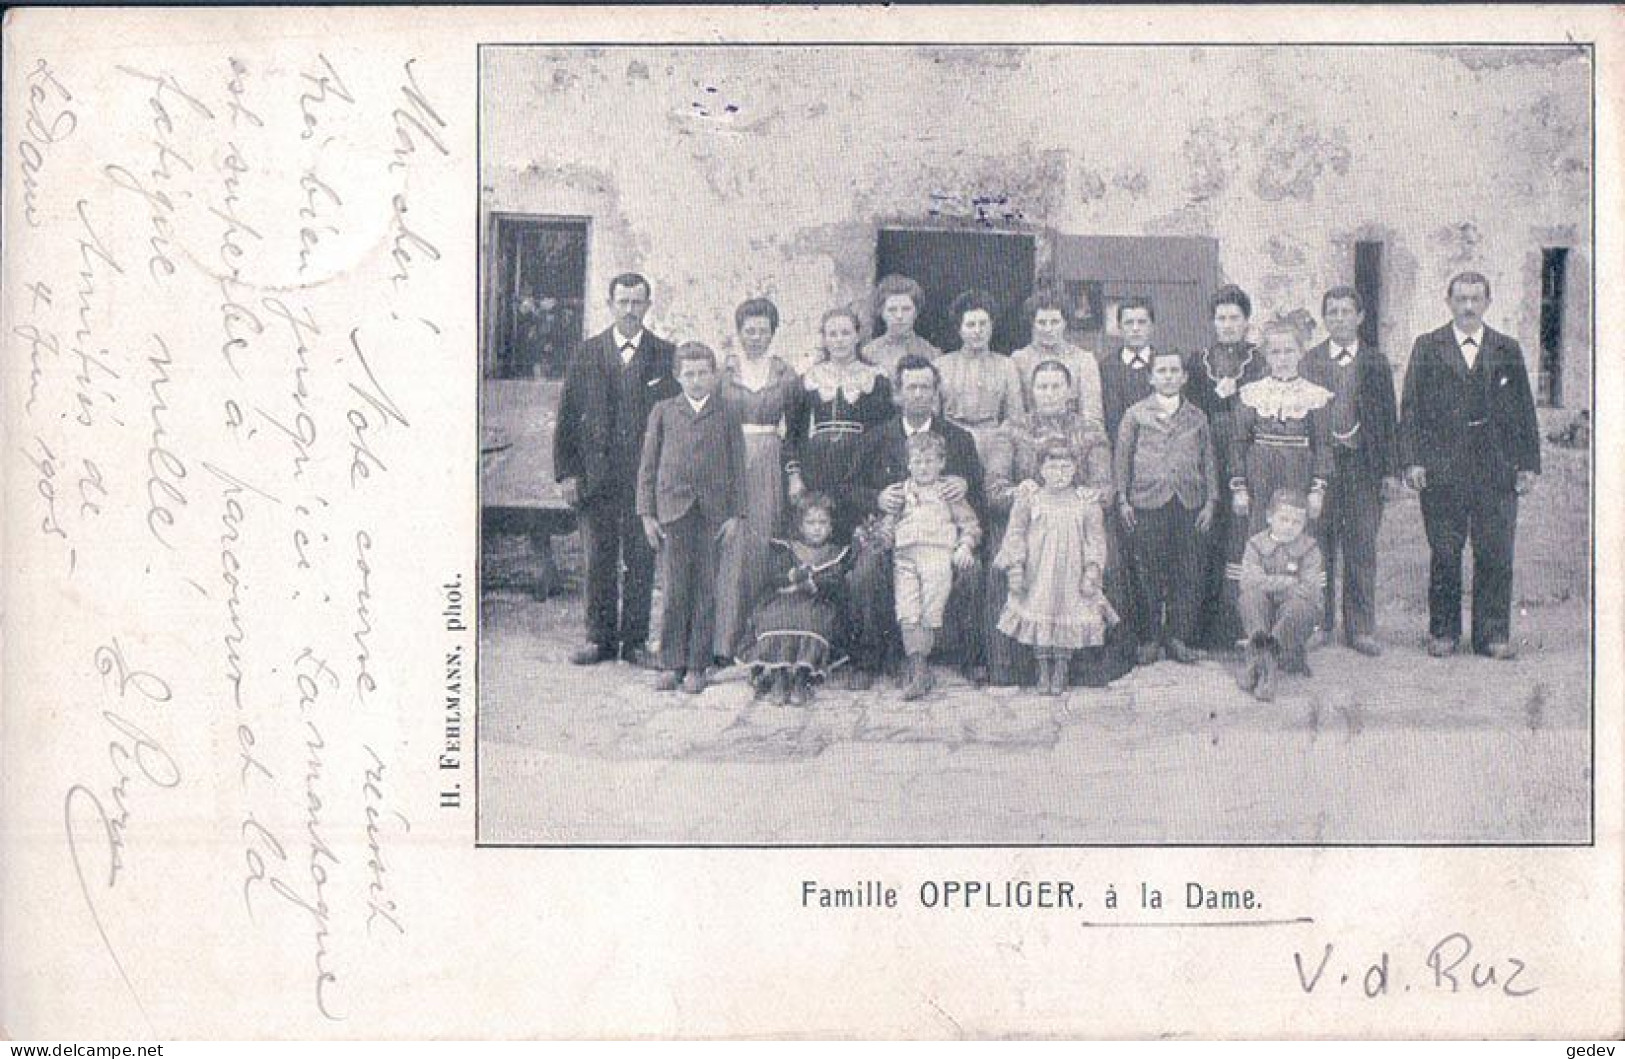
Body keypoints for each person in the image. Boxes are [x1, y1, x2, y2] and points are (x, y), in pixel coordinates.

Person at [1400, 271, 1540, 660]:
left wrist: (1527, 464)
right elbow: (1410, 408)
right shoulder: (1428, 347)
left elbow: (1523, 409)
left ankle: (1492, 635)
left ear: (1487, 303)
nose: (1468, 306)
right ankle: (1443, 632)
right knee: (1445, 551)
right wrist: (1412, 460)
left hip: (1496, 466)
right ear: (1448, 302)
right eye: (1461, 298)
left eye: (1476, 299)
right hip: (1443, 466)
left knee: (1495, 550)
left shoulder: (1506, 348)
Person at [554, 272, 678, 668]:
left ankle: (636, 641)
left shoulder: (664, 354)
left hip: (645, 479)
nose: (629, 310)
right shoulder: (586, 352)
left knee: (641, 559)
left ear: (647, 305)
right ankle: (599, 638)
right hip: (596, 478)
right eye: (622, 302)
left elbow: (673, 420)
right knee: (598, 559)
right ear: (610, 304)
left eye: (637, 302)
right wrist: (567, 473)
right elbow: (568, 417)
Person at [984, 359, 1132, 687]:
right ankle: (1017, 667)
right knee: (1008, 560)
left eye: (1056, 386)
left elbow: (1105, 487)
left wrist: (1086, 495)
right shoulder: (1011, 429)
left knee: (1102, 557)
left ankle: (1084, 666)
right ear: (1031, 392)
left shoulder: (1090, 430)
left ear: (1070, 391)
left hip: (1076, 522)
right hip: (1028, 520)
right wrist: (1020, 493)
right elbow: (994, 488)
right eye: (1042, 386)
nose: (1049, 393)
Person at [848, 354, 985, 689]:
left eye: (926, 387)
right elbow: (847, 488)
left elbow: (979, 497)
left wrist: (966, 484)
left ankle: (969, 658)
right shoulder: (876, 437)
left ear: (936, 391)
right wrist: (876, 498)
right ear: (898, 392)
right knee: (864, 572)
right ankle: (869, 658)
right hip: (893, 535)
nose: (919, 394)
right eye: (912, 387)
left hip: (943, 537)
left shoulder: (958, 439)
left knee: (971, 570)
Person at [635, 342, 745, 694]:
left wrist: (735, 514)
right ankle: (671, 662)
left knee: (705, 588)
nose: (696, 380)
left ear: (713, 376)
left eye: (703, 373)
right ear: (677, 376)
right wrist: (647, 514)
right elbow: (648, 467)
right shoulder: (663, 411)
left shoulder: (727, 413)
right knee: (674, 587)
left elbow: (737, 467)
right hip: (674, 510)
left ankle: (698, 664)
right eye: (689, 374)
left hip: (713, 512)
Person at [1299, 285, 1401, 656]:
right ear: (1324, 318)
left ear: (1359, 317)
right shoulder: (1309, 362)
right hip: (1321, 469)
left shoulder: (1375, 362)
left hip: (1363, 468)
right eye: (1332, 312)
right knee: (1318, 547)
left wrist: (1390, 471)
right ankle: (1318, 624)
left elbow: (1389, 419)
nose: (1339, 318)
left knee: (1360, 547)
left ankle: (1360, 628)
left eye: (1346, 311)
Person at [1115, 349, 1218, 665]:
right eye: (1162, 371)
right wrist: (1123, 499)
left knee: (1187, 570)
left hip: (1188, 502)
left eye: (1175, 370)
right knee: (1147, 571)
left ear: (1185, 377)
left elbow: (1209, 461)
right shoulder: (1135, 415)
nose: (1169, 376)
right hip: (1146, 502)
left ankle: (1178, 637)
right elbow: (1122, 460)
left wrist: (1211, 501)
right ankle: (1149, 638)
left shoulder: (1197, 417)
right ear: (1150, 377)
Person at [713, 297, 801, 662]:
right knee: (731, 550)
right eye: (749, 331)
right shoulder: (724, 373)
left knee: (763, 546)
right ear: (739, 333)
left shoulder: (786, 375)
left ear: (773, 333)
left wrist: (793, 473)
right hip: (730, 461)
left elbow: (794, 430)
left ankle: (758, 642)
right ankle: (722, 643)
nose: (755, 338)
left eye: (763, 331)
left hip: (769, 460)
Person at [994, 439, 1118, 696]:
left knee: (1067, 615)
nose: (1059, 473)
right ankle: (1042, 668)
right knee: (1040, 611)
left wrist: (1092, 570)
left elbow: (1096, 540)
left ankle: (1061, 667)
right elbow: (1015, 534)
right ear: (1040, 469)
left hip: (1072, 573)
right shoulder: (1030, 499)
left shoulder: (1086, 502)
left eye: (1066, 467)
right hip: (1038, 572)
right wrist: (1015, 566)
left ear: (1075, 469)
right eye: (1052, 467)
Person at [1186, 284, 1266, 651]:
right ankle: (1204, 629)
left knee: (1241, 538)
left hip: (1246, 458)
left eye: (1235, 317)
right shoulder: (1197, 362)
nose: (1228, 324)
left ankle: (1242, 626)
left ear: (1247, 321)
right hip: (1207, 458)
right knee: (1206, 540)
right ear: (1212, 322)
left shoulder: (1260, 362)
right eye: (1221, 318)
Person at [785, 307, 894, 544]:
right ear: (823, 339)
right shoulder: (809, 378)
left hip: (859, 463)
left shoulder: (875, 378)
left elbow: (885, 432)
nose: (839, 340)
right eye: (832, 334)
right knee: (820, 526)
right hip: (817, 464)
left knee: (857, 528)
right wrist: (795, 476)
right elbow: (792, 433)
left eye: (845, 333)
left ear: (857, 336)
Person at [886, 432, 981, 701]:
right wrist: (878, 535)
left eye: (929, 461)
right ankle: (918, 667)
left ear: (942, 463)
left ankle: (920, 667)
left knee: (931, 607)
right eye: (917, 462)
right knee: (907, 608)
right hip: (905, 556)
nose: (923, 467)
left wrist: (964, 546)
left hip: (937, 555)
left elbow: (970, 524)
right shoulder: (902, 491)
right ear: (908, 464)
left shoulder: (947, 492)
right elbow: (888, 524)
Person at [736, 493, 851, 707]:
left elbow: (836, 582)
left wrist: (813, 584)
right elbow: (774, 577)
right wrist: (791, 575)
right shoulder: (787, 549)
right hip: (785, 600)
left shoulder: (836, 553)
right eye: (810, 522)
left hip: (816, 602)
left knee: (812, 620)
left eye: (822, 522)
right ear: (800, 526)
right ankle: (779, 676)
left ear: (831, 527)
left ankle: (801, 678)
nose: (817, 528)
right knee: (776, 618)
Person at [1230, 321, 1334, 544]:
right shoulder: (1252, 393)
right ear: (1266, 356)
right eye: (1275, 352)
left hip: (1298, 473)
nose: (1283, 358)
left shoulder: (1314, 395)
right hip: (1260, 475)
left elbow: (1323, 445)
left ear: (1301, 353)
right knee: (1260, 535)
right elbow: (1239, 443)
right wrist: (1239, 488)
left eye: (1289, 351)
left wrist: (1317, 490)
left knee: (1298, 534)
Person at [1237, 489, 1326, 701]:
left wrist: (1271, 585)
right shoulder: (1255, 545)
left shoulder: (1310, 548)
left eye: (1296, 522)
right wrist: (1287, 582)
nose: (1289, 527)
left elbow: (1311, 589)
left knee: (1299, 607)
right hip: (1267, 611)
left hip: (1294, 615)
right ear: (1269, 517)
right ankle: (1267, 666)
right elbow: (1249, 581)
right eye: (1283, 519)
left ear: (1304, 523)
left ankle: (1262, 661)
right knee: (1250, 598)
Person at [1011, 290, 1104, 431]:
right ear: (1032, 323)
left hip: (1074, 437)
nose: (1048, 329)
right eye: (1042, 322)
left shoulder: (1084, 360)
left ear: (1065, 323)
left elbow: (1092, 414)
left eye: (1054, 322)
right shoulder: (1019, 360)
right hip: (1030, 437)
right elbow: (1015, 413)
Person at [1098, 296, 1159, 444]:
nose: (1135, 329)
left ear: (1152, 326)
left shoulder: (1164, 365)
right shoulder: (1106, 368)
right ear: (1119, 328)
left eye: (1142, 322)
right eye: (1129, 323)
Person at [860, 274, 941, 379]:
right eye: (892, 310)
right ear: (881, 312)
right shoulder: (868, 353)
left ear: (916, 312)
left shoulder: (932, 353)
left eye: (906, 309)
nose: (899, 316)